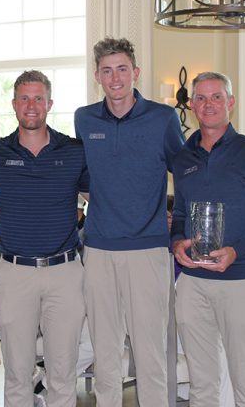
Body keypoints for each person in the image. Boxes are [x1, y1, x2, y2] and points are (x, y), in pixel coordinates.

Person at [74, 37, 183, 406]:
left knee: (150, 353)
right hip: (99, 248)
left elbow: (185, 175)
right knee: (104, 352)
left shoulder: (163, 118)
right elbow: (84, 176)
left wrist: (179, 224)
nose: (115, 77)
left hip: (149, 249)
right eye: (107, 70)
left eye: (122, 69)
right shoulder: (84, 119)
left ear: (135, 73)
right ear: (97, 76)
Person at [171, 71, 245, 407]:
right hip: (193, 283)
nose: (208, 105)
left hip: (243, 281)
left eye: (217, 97)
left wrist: (237, 251)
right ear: (192, 104)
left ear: (231, 103)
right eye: (201, 98)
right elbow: (180, 213)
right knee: (201, 383)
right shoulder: (183, 159)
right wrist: (178, 241)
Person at [0, 71, 89, 407]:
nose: (31, 106)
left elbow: (98, 199)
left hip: (65, 272)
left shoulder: (74, 150)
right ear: (14, 104)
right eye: (24, 99)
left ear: (50, 104)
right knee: (17, 372)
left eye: (38, 98)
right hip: (15, 272)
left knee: (62, 372)